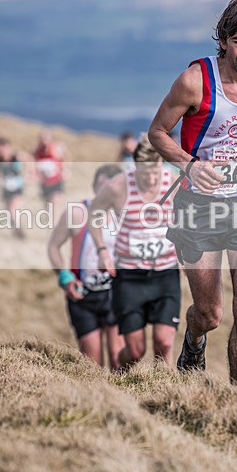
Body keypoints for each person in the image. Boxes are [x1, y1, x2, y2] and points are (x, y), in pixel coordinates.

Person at [147, 0, 237, 387]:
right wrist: (189, 166)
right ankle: (193, 339)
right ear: (224, 39)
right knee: (210, 313)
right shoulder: (195, 81)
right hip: (199, 206)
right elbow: (157, 133)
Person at [87, 136, 181, 370]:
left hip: (165, 273)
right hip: (129, 277)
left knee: (164, 342)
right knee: (136, 352)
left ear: (162, 164)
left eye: (155, 173)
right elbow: (94, 214)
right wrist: (102, 251)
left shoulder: (174, 182)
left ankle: (165, 394)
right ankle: (121, 372)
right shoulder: (118, 186)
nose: (151, 180)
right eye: (145, 174)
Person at [48, 164, 125, 370]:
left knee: (120, 361)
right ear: (94, 187)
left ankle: (124, 401)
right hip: (82, 296)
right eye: (103, 185)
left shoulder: (126, 217)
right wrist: (64, 277)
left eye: (114, 185)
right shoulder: (77, 212)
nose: (107, 190)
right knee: (92, 366)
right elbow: (53, 247)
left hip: (116, 294)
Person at [0, 137, 27, 239]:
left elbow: (29, 161)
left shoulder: (16, 156)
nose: (1, 150)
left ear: (7, 146)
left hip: (17, 187)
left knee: (13, 211)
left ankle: (20, 234)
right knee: (8, 212)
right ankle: (17, 233)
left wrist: (28, 175)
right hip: (5, 188)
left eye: (3, 147)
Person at [33, 130, 68, 217]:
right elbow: (33, 162)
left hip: (56, 181)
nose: (44, 140)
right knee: (48, 209)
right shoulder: (37, 150)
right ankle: (54, 227)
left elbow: (66, 157)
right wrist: (35, 174)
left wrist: (66, 170)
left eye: (46, 138)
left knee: (54, 206)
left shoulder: (57, 148)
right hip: (45, 184)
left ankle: (55, 227)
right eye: (42, 138)